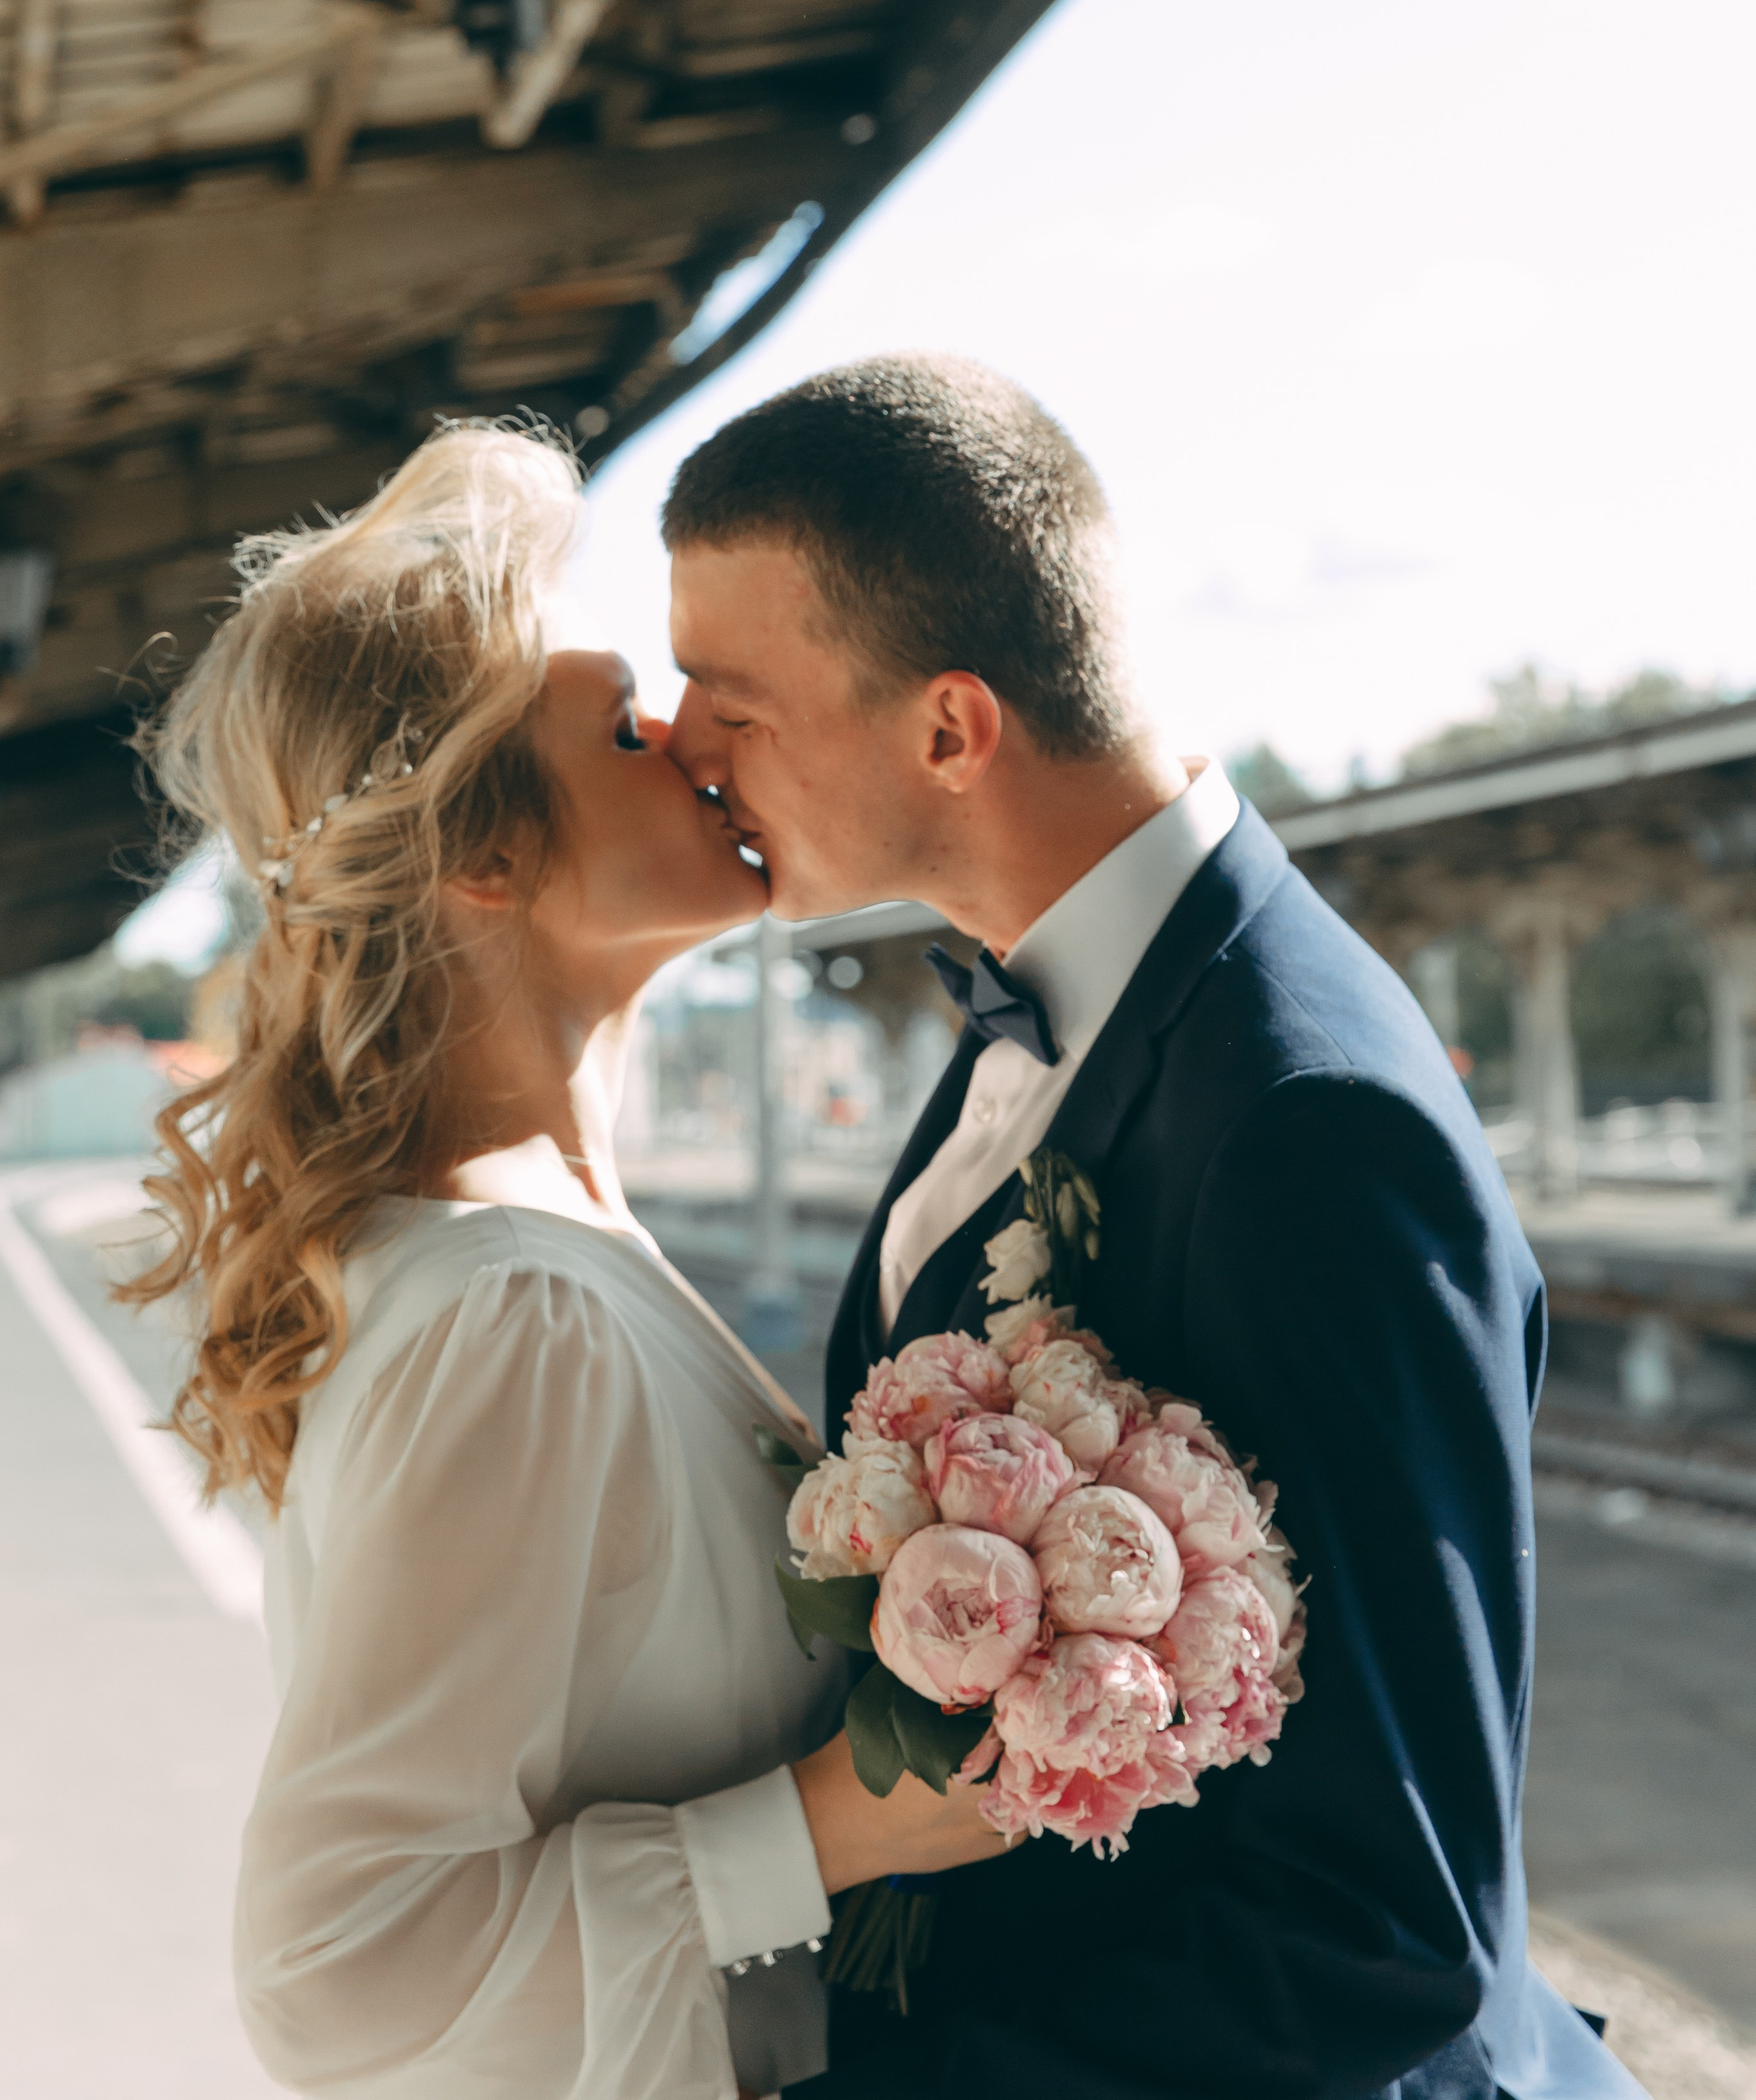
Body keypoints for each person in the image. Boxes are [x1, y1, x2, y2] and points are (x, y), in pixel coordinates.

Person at [663, 357, 1644, 2100]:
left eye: (725, 704)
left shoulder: (1302, 1122)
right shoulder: (1045, 1007)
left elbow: (1380, 1929)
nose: (681, 754)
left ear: (949, 730)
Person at [125, 421, 1002, 2100]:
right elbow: (333, 1971)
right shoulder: (510, 1308)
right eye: (620, 725)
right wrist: (829, 1828)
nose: (685, 734)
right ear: (489, 856)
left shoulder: (536, 1247)